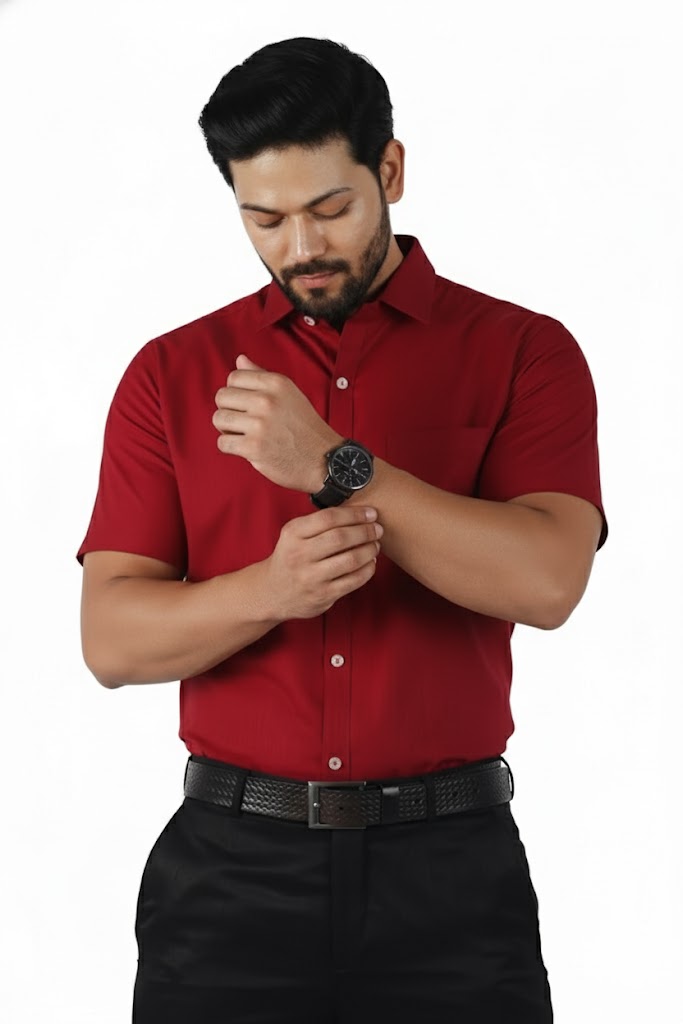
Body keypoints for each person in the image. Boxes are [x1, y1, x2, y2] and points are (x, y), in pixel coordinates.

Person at [76, 36, 608, 1024]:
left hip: (452, 879)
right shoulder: (170, 374)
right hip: (230, 878)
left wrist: (336, 466)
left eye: (329, 208)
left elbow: (546, 582)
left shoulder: (522, 352)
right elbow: (109, 639)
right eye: (263, 219)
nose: (300, 247)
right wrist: (267, 591)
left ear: (390, 171)